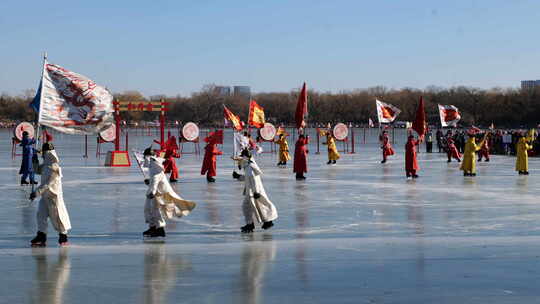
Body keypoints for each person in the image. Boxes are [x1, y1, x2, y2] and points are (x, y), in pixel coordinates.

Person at [144, 153, 196, 238]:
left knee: (155, 211)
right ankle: (152, 227)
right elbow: (153, 182)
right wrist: (149, 182)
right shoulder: (154, 169)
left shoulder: (156, 171)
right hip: (154, 193)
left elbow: (155, 183)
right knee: (148, 210)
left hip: (158, 195)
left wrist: (152, 192)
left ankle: (160, 229)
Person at [29, 143, 71, 246]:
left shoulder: (54, 166)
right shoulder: (46, 164)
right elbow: (38, 170)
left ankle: (63, 236)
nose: (42, 154)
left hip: (53, 197)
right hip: (45, 196)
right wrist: (34, 161)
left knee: (57, 217)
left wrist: (36, 193)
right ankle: (41, 235)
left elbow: (48, 184)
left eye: (43, 152)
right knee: (41, 215)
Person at [234, 149, 278, 233]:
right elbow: (247, 178)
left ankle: (252, 224)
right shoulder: (247, 165)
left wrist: (256, 192)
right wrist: (238, 176)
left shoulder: (250, 167)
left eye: (242, 156)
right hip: (252, 191)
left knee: (249, 207)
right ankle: (265, 222)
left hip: (252, 192)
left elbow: (254, 179)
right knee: (257, 206)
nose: (241, 158)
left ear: (246, 157)